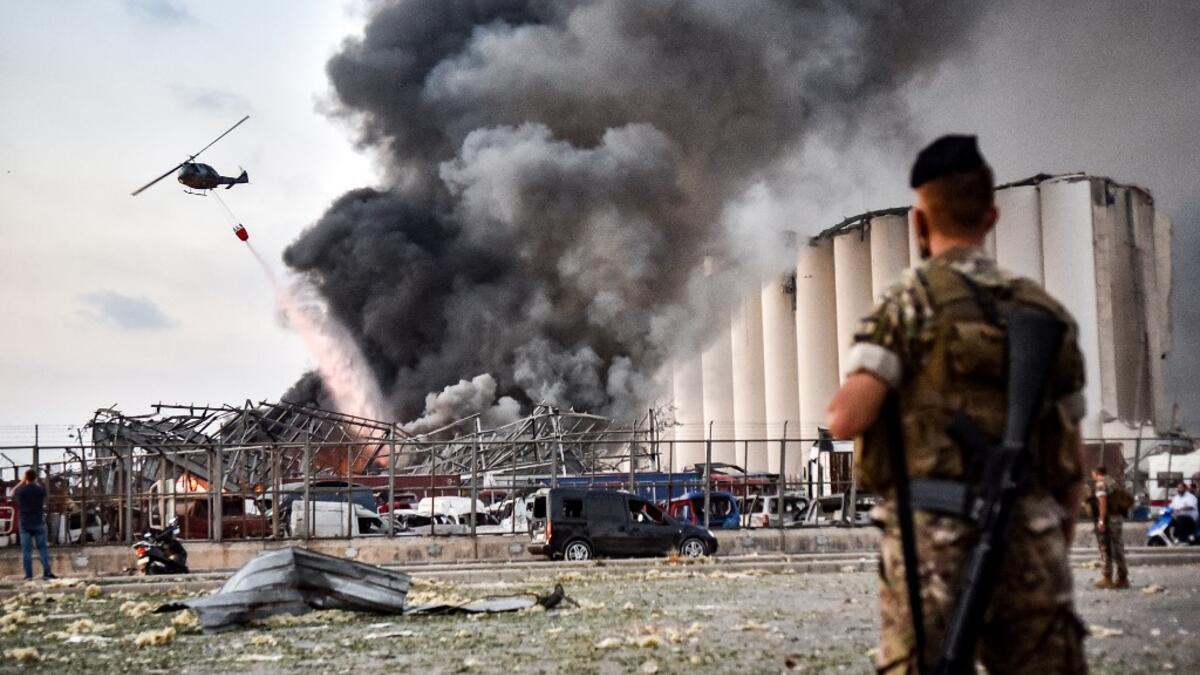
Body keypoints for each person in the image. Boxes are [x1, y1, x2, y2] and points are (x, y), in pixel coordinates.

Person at [826, 135, 1088, 673]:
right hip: (1031, 532)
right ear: (992, 216)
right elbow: (1071, 461)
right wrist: (1047, 540)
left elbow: (845, 418)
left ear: (919, 222)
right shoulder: (1047, 311)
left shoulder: (910, 300)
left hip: (932, 543)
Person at [1090, 466, 1129, 588]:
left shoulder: (1101, 484)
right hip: (1117, 519)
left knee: (1105, 547)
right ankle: (1123, 578)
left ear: (1096, 473)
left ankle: (1107, 577)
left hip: (1108, 520)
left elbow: (1102, 502)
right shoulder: (1112, 482)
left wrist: (1101, 520)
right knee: (1118, 548)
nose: (1092, 476)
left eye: (1092, 474)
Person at [13, 468, 55, 580]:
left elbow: (13, 492)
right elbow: (43, 493)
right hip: (38, 522)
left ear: (26, 477)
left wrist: (22, 481)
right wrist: (34, 481)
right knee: (42, 548)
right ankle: (47, 572)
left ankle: (29, 575)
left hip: (25, 523)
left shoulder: (21, 491)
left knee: (27, 551)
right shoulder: (40, 490)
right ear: (35, 477)